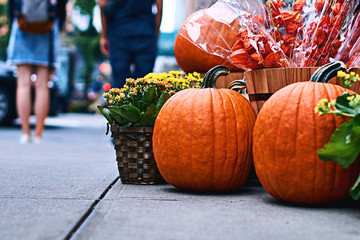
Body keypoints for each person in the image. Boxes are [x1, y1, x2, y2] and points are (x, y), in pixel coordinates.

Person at [7, 0, 67, 144]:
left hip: (22, 23)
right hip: (48, 25)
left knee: (23, 84)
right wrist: (61, 21)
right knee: (42, 85)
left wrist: (13, 18)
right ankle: (38, 134)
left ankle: (25, 133)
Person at [99, 0, 163, 88]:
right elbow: (159, 7)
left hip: (119, 33)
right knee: (143, 84)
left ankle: (122, 101)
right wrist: (155, 35)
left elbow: (102, 4)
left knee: (120, 85)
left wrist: (104, 36)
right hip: (145, 33)